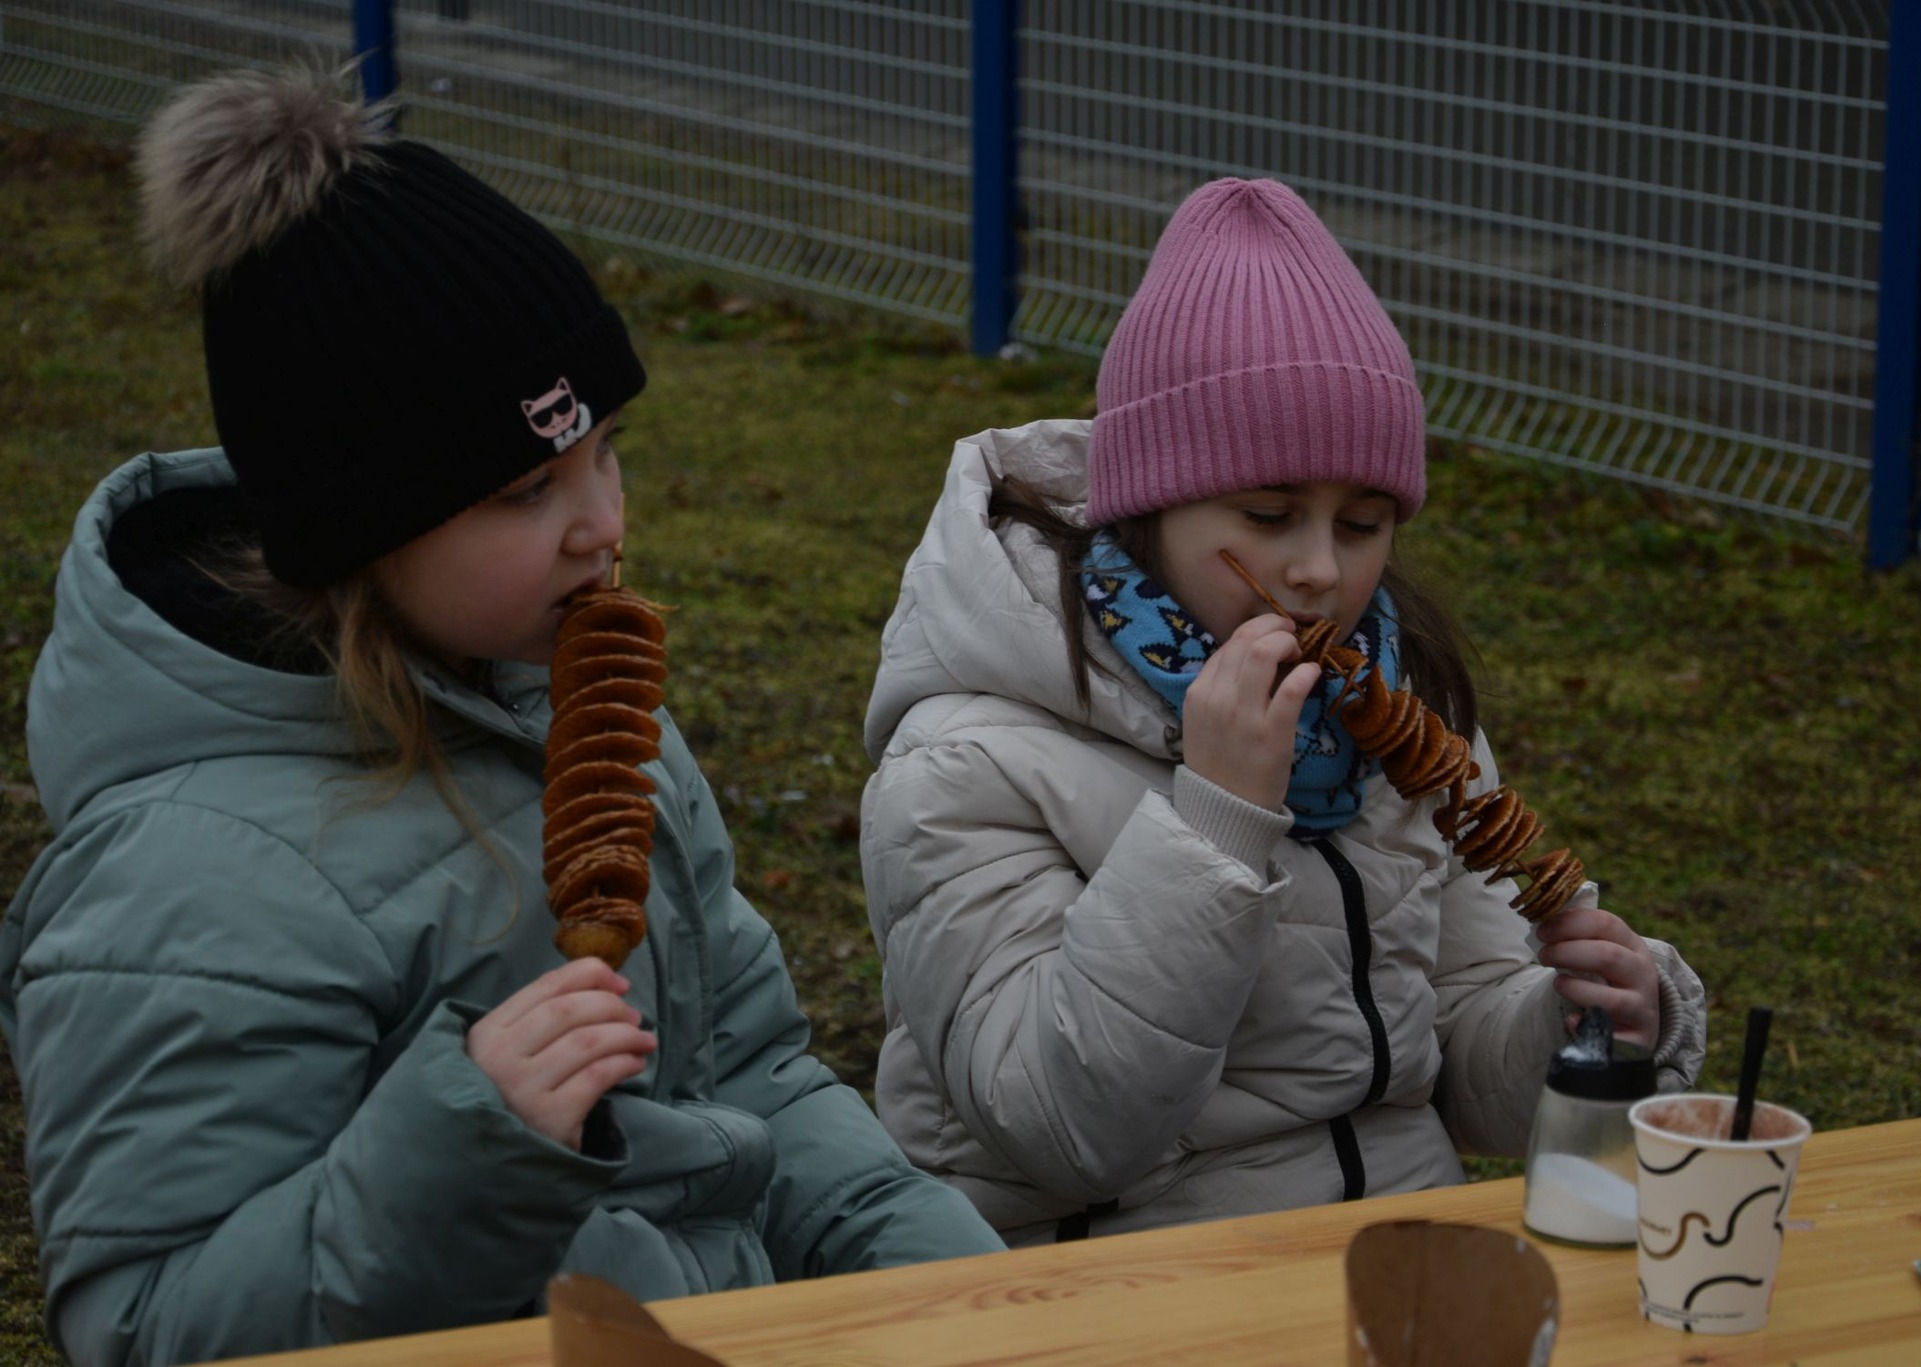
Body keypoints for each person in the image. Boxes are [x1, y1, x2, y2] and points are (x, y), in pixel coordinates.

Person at [0, 67, 1001, 1363]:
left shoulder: (587, 715)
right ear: (363, 525)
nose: (604, 522)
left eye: (607, 447)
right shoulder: (191, 880)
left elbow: (747, 1074)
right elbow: (146, 1323)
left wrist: (953, 1287)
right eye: (528, 487)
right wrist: (467, 1145)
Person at [859, 177, 1708, 1244]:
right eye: (1268, 514)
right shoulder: (966, 760)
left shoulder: (1402, 715)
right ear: (1149, 506)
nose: (1318, 571)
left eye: (1361, 524)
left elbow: (1451, 1064)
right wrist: (1214, 822)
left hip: (1395, 1246)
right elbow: (1062, 1129)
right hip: (1120, 1279)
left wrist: (1573, 1022)